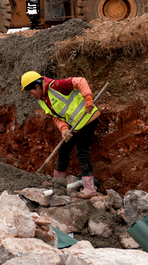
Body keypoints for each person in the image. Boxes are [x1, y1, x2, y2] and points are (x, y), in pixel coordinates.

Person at [21, 70, 100, 198]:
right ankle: (58, 183)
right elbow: (56, 117)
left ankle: (90, 189)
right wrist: (63, 129)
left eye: (31, 92)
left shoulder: (57, 86)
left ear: (37, 86)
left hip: (88, 119)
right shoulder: (42, 100)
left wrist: (88, 99)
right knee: (63, 150)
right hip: (74, 125)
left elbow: (80, 81)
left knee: (81, 152)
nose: (32, 96)